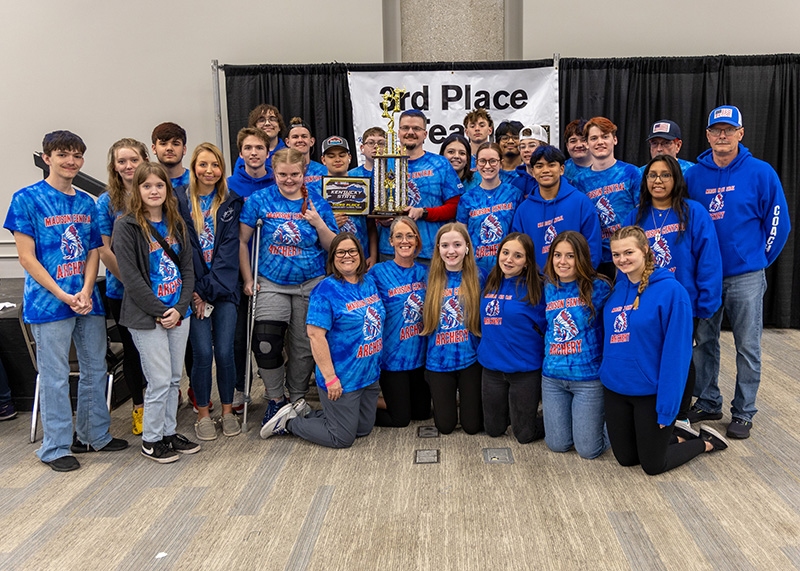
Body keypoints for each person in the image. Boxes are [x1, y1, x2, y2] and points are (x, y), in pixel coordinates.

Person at [4, 131, 128, 471]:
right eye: (63, 155)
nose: (71, 161)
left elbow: (93, 251)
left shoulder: (86, 202)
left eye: (76, 155)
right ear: (47, 158)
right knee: (56, 375)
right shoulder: (26, 199)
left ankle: (93, 436)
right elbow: (27, 258)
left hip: (87, 301)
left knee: (95, 369)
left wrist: (87, 291)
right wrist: (62, 294)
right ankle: (56, 447)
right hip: (48, 304)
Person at [685, 105, 791, 438]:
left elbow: (778, 222)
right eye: (716, 130)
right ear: (707, 135)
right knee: (704, 341)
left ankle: (743, 411)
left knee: (747, 345)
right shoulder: (694, 176)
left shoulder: (761, 172)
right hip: (707, 276)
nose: (722, 136)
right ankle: (708, 400)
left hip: (745, 276)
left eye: (729, 130)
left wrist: (755, 259)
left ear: (740, 134)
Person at [601, 226, 728, 475]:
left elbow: (677, 358)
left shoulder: (672, 293)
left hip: (650, 392)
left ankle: (705, 442)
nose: (622, 259)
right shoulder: (617, 289)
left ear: (645, 250)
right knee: (627, 459)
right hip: (616, 388)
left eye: (628, 252)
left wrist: (668, 408)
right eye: (616, 255)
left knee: (652, 465)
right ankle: (674, 437)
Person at [623, 155, 722, 433]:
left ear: (676, 179)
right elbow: (625, 260)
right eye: (652, 175)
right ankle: (655, 406)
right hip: (646, 302)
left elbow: (709, 260)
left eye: (665, 175)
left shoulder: (694, 212)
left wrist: (706, 302)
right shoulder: (636, 216)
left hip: (683, 302)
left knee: (680, 357)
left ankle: (681, 414)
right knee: (652, 354)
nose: (658, 180)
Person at [239, 148, 338, 424]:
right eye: (283, 174)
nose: (289, 180)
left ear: (304, 172)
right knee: (266, 342)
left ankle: (296, 398)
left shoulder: (317, 201)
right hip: (271, 281)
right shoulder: (260, 200)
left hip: (311, 282)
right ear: (273, 172)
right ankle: (275, 399)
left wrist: (318, 223)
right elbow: (242, 241)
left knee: (303, 346)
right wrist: (248, 278)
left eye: (295, 174)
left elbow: (332, 246)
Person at [261, 233, 385, 448]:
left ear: (360, 254)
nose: (347, 256)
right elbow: (315, 335)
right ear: (333, 257)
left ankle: (306, 413)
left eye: (352, 251)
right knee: (342, 438)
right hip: (342, 378)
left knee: (363, 430)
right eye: (341, 252)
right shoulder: (325, 290)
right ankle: (288, 422)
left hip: (368, 375)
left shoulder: (369, 282)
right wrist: (330, 378)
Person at [113, 162, 198, 463]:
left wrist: (180, 308)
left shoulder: (176, 222)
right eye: (146, 186)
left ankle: (169, 433)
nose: (153, 191)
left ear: (167, 189)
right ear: (137, 190)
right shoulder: (126, 226)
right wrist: (163, 311)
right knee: (159, 380)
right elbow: (131, 278)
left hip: (179, 313)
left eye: (159, 185)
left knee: (174, 378)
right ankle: (151, 440)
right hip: (147, 317)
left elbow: (188, 270)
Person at [176, 143, 243, 441]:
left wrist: (207, 291)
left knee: (225, 351)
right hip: (192, 292)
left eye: (215, 165)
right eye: (203, 164)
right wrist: (194, 292)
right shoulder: (178, 201)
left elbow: (229, 253)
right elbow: (180, 251)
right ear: (193, 167)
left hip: (224, 291)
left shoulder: (230, 202)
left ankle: (228, 410)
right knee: (202, 353)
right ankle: (203, 413)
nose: (209, 170)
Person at [96, 138, 150, 434]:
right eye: (122, 161)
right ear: (114, 167)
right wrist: (133, 282)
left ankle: (164, 402)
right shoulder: (106, 202)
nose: (128, 166)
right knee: (132, 352)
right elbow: (104, 250)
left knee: (159, 352)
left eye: (134, 159)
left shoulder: (155, 193)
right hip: (122, 291)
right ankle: (139, 407)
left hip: (159, 290)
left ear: (145, 160)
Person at [541, 231, 610, 459]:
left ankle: (614, 425)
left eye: (570, 256)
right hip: (552, 377)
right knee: (558, 444)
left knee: (588, 451)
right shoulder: (547, 286)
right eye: (558, 255)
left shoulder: (599, 287)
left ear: (581, 257)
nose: (563, 261)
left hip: (588, 379)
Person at [478, 232, 546, 443]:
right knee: (493, 430)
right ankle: (513, 411)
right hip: (492, 368)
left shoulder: (538, 287)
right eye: (505, 253)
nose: (509, 259)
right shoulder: (490, 281)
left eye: (517, 256)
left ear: (527, 262)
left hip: (524, 370)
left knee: (524, 435)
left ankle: (556, 418)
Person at [421, 222, 485, 434]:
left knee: (472, 427)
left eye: (457, 244)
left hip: (471, 360)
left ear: (467, 246)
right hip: (438, 361)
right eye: (445, 245)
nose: (451, 251)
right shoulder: (427, 277)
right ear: (437, 248)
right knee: (445, 426)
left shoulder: (480, 276)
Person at [377, 110, 463, 264]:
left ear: (425, 134)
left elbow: (456, 207)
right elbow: (372, 207)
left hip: (430, 252)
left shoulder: (440, 164)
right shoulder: (384, 163)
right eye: (405, 128)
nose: (410, 132)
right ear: (398, 132)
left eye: (416, 128)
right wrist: (381, 219)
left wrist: (423, 212)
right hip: (391, 252)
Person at [369, 217, 431, 427]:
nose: (405, 241)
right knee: (401, 419)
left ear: (417, 240)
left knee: (422, 413)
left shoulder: (425, 273)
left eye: (410, 236)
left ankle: (395, 401)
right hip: (393, 359)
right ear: (391, 241)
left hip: (420, 358)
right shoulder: (378, 272)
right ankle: (357, 404)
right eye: (399, 236)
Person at [511, 146, 602, 270]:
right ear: (532, 172)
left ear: (562, 169)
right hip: (537, 285)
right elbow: (517, 251)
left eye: (551, 165)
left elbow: (592, 248)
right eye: (539, 166)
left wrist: (579, 280)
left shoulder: (581, 202)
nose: (545, 170)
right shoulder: (523, 210)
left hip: (574, 284)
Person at [572, 117, 640, 278]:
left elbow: (641, 214)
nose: (599, 142)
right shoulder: (578, 182)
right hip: (597, 259)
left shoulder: (631, 173)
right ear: (587, 144)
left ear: (614, 140)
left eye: (605, 136)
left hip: (628, 255)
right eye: (594, 138)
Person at [308, 136, 378, 267]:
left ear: (349, 158)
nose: (337, 159)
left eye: (342, 155)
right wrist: (328, 224)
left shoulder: (362, 186)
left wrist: (373, 256)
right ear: (323, 160)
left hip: (359, 256)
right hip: (326, 259)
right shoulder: (313, 191)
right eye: (331, 156)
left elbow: (371, 225)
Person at [456, 142, 523, 271]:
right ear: (476, 163)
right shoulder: (466, 199)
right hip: (475, 270)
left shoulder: (514, 194)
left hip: (507, 268)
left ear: (501, 163)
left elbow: (520, 234)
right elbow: (461, 237)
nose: (487, 166)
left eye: (493, 161)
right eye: (482, 161)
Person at [232, 103, 288, 174]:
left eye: (272, 119)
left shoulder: (288, 154)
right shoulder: (245, 157)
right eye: (261, 120)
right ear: (254, 127)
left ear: (279, 126)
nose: (267, 123)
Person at [227, 127, 274, 200]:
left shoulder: (278, 183)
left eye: (259, 148)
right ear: (241, 154)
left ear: (267, 154)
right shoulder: (228, 185)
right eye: (248, 148)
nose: (254, 153)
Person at [285, 117, 327, 185]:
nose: (300, 140)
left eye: (304, 136)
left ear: (312, 141)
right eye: (295, 137)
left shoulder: (324, 171)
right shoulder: (281, 171)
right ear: (287, 142)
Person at [512, 124, 549, 196]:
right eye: (522, 147)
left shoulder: (554, 179)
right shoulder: (515, 184)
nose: (526, 150)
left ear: (544, 147)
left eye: (532, 145)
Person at [151, 122, 189, 188]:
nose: (169, 148)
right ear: (154, 149)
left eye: (176, 144)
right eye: (163, 144)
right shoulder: (146, 182)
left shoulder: (197, 181)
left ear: (184, 149)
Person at [562, 119, 591, 185]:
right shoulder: (561, 170)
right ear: (567, 146)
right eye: (573, 141)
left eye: (584, 140)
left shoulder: (604, 169)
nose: (579, 145)